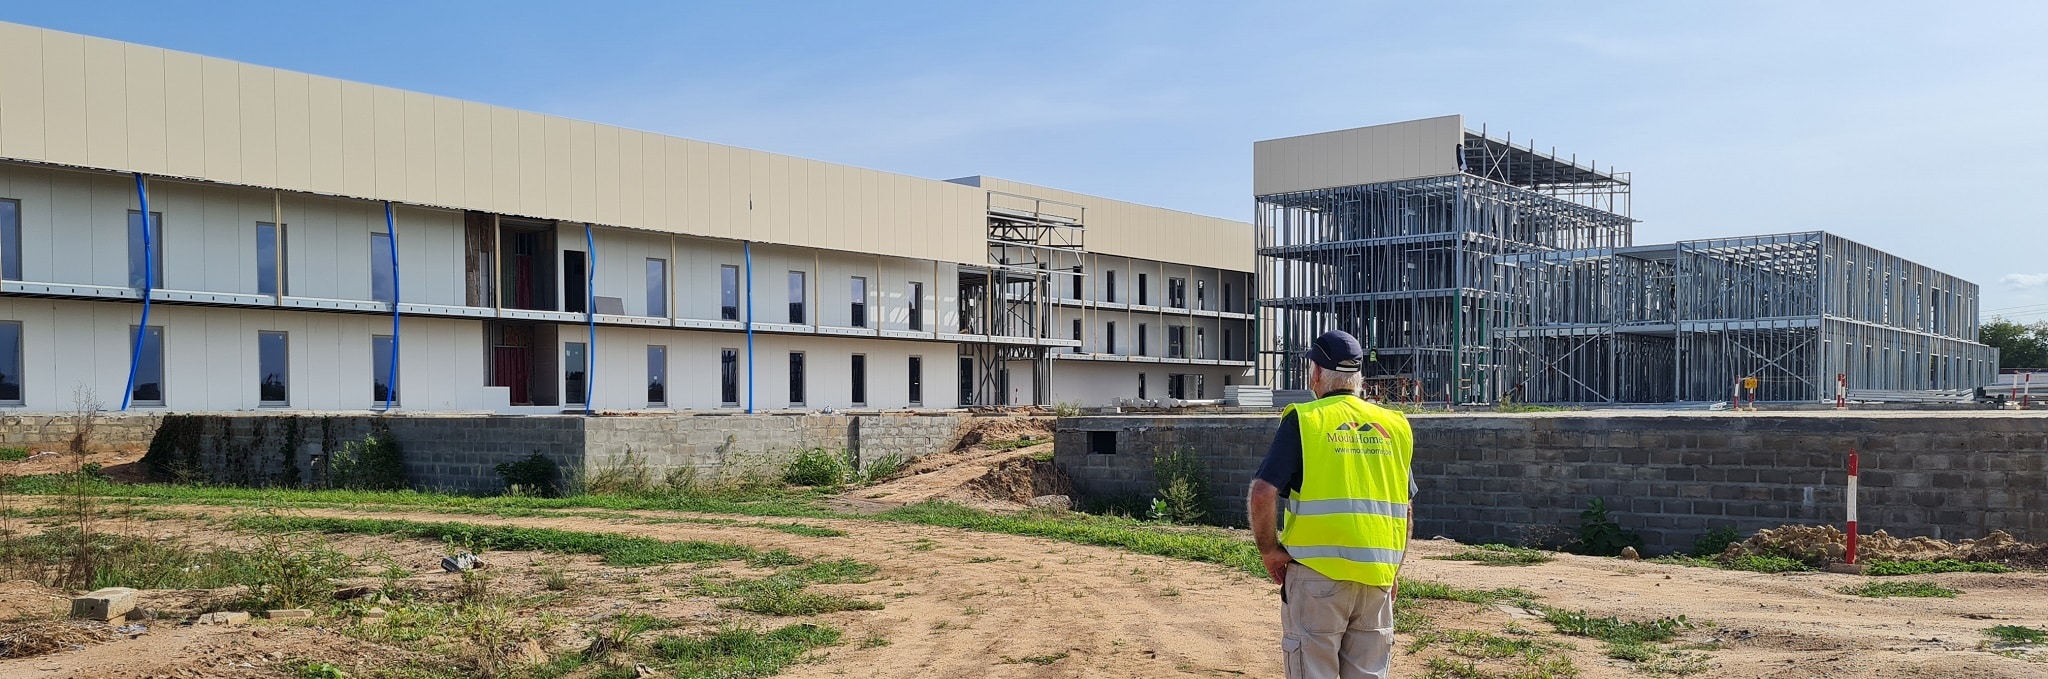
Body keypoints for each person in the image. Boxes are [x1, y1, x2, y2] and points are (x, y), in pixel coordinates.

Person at [1248, 330, 1416, 679]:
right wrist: (1392, 569)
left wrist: (1269, 550)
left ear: (1316, 373)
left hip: (1316, 578)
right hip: (1376, 580)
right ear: (1359, 378)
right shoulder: (1394, 425)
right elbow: (1405, 510)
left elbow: (1263, 492)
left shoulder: (1306, 420)